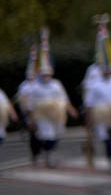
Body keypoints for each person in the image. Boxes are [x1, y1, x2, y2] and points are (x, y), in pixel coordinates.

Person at [22, 30, 77, 168]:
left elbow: (63, 98)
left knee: (56, 134)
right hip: (42, 115)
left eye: (48, 74)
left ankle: (50, 152)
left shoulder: (56, 84)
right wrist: (30, 118)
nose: (46, 76)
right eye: (44, 74)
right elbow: (30, 104)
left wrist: (70, 110)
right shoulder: (35, 87)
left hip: (56, 115)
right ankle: (48, 154)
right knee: (46, 135)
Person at [83, 15, 111, 172]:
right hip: (102, 115)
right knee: (108, 138)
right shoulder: (95, 83)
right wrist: (89, 120)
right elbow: (89, 102)